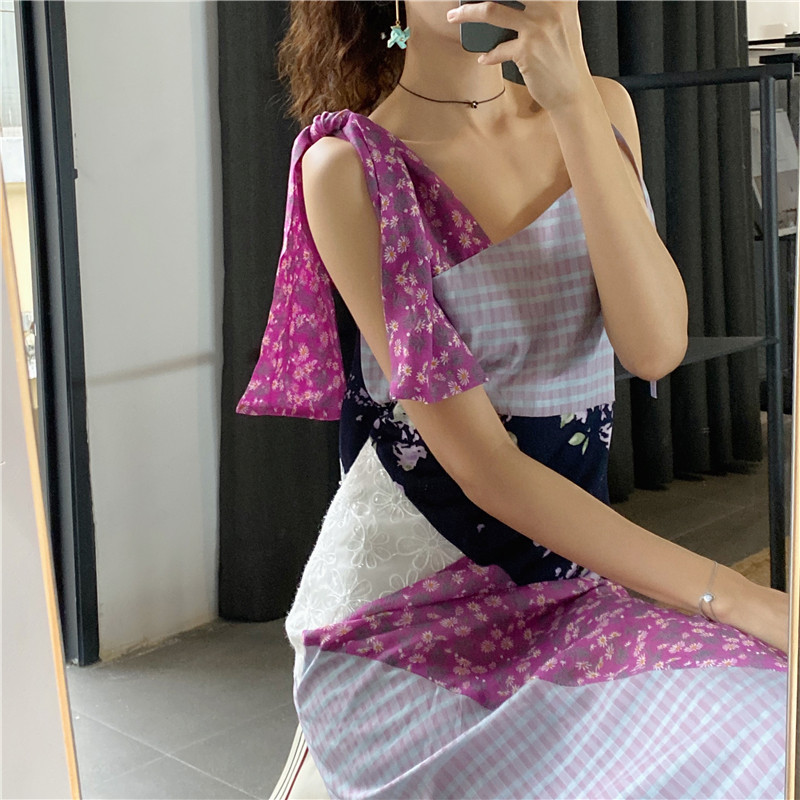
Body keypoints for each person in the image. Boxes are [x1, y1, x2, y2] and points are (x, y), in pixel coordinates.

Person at [237, 2, 790, 797]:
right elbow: (487, 467)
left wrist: (572, 103)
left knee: (768, 721)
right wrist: (732, 596)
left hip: (564, 589)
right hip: (413, 623)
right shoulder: (352, 169)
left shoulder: (601, 109)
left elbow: (654, 347)